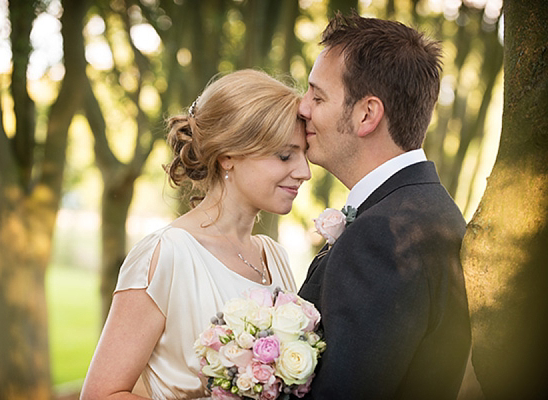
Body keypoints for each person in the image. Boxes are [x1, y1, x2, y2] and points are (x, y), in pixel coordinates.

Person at [80, 69, 311, 399]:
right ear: (228, 156)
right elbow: (99, 395)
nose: (304, 172)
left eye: (304, 154)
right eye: (285, 155)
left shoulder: (275, 256)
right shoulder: (166, 255)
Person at [295, 12, 471, 400]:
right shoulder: (428, 210)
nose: (302, 107)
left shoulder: (386, 234)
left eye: (317, 96)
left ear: (367, 115)